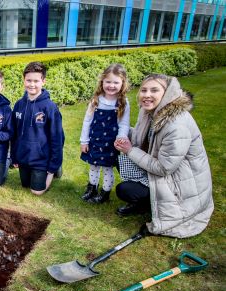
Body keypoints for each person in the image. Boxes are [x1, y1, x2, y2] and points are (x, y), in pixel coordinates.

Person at [114, 74, 214, 238]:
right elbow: (145, 138)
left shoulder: (176, 125)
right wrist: (121, 133)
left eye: (154, 90)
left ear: (167, 93)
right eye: (144, 90)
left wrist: (130, 150)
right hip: (163, 171)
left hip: (179, 184)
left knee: (124, 190)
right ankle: (148, 200)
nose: (147, 95)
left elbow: (163, 168)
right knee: (117, 154)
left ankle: (148, 204)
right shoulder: (150, 111)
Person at [11, 61, 65, 195]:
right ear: (24, 80)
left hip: (41, 158)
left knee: (37, 192)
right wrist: (14, 157)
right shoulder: (19, 105)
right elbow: (14, 134)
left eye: (36, 81)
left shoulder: (50, 107)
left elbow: (57, 138)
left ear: (43, 81)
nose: (32, 84)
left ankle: (55, 170)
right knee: (25, 186)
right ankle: (39, 171)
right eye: (28, 80)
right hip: (24, 156)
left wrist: (52, 166)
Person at [80, 63, 130, 203]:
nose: (111, 85)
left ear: (122, 83)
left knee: (107, 168)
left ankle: (105, 193)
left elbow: (124, 123)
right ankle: (92, 188)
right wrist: (84, 141)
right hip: (95, 140)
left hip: (110, 142)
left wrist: (121, 137)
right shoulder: (96, 100)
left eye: (116, 82)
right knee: (93, 165)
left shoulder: (123, 102)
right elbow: (87, 121)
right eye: (108, 81)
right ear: (102, 82)